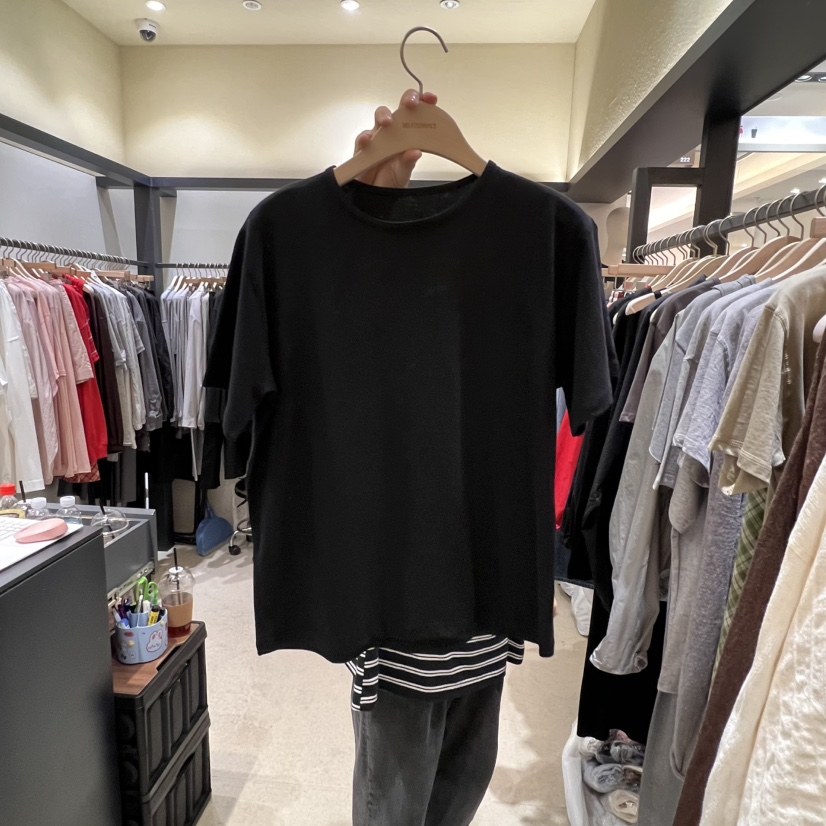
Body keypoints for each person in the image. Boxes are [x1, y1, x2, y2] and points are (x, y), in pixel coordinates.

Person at [346, 88, 557, 826]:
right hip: (395, 626)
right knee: (393, 803)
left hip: (489, 611)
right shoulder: (334, 260)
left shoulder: (534, 240)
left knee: (456, 796)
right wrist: (367, 205)